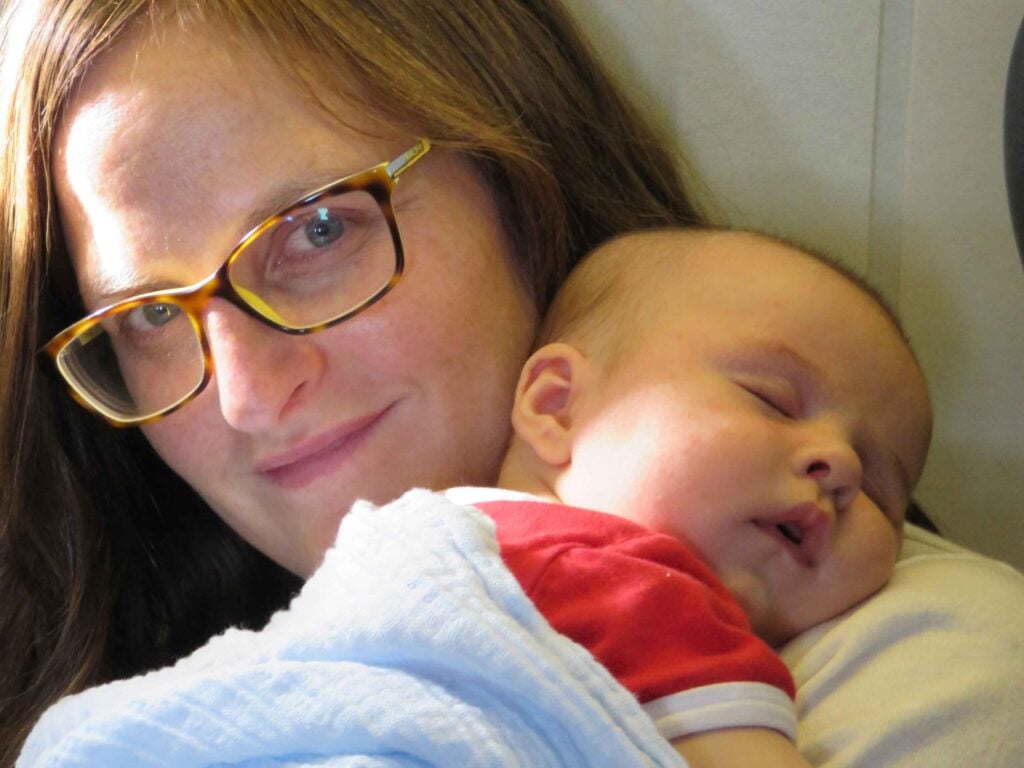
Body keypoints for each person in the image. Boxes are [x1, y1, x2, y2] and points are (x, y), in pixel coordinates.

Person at [1, 1, 1022, 767]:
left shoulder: (926, 668)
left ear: (524, 182)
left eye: (318, 228)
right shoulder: (144, 671)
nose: (249, 398)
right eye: (148, 316)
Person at [441, 227, 930, 766]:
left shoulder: (430, 544)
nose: (842, 467)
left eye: (878, 494)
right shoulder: (625, 591)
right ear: (559, 405)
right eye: (773, 401)